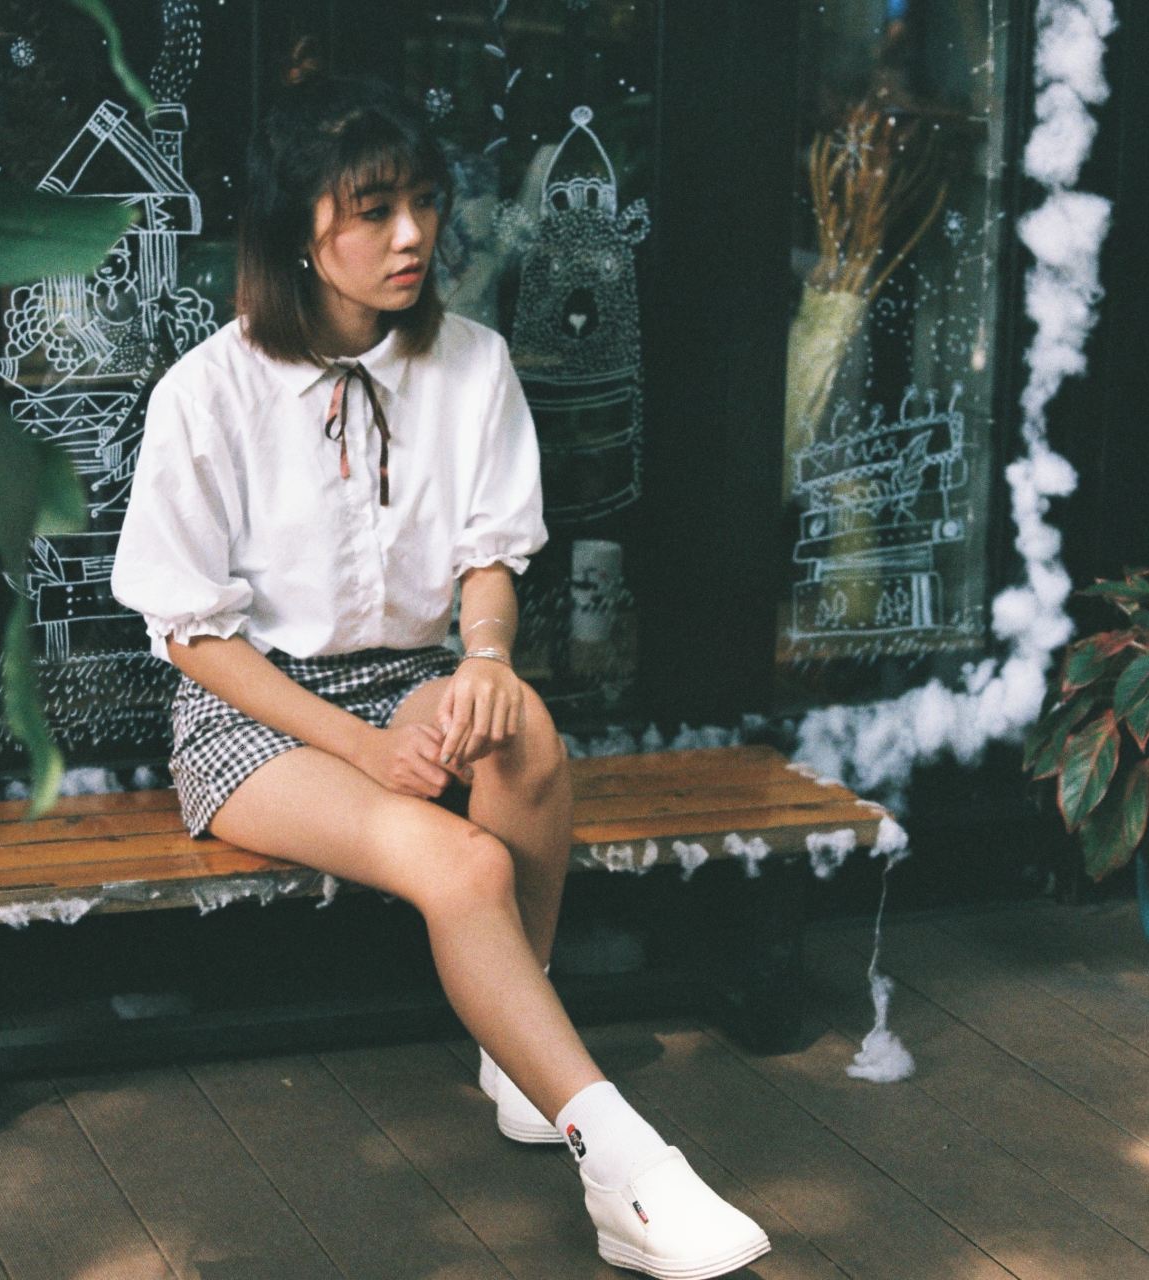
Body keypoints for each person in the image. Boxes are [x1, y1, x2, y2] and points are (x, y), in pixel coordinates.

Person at [111, 72, 770, 1280]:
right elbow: (194, 635)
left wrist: (482, 659)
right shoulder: (207, 394)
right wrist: (362, 748)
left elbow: (488, 559)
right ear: (295, 231)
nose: (411, 235)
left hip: (415, 674)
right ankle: (624, 1165)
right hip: (255, 711)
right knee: (462, 861)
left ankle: (515, 1057)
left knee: (522, 731)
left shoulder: (471, 362)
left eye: (421, 201)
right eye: (371, 211)